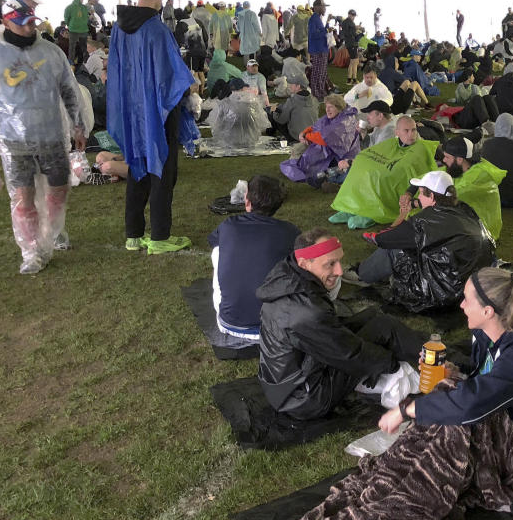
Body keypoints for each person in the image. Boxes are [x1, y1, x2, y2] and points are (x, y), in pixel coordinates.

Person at [294, 265, 513, 520]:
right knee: (448, 397)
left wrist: (406, 410)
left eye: (466, 300)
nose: (461, 306)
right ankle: (401, 483)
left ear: (488, 311)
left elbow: (473, 403)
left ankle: (408, 505)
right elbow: (479, 380)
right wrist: (453, 370)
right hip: (499, 437)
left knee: (455, 413)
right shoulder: (487, 336)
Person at [0, 0, 87, 274]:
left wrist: (78, 125)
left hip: (52, 136)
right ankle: (32, 248)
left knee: (58, 190)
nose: (30, 29)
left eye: (32, 23)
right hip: (13, 140)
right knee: (23, 196)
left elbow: (69, 90)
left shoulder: (52, 52)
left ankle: (53, 232)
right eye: (23, 24)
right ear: (6, 21)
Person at [257, 228, 424, 419]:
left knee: (373, 320)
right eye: (330, 264)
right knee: (383, 328)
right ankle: (437, 362)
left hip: (285, 384)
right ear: (305, 263)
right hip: (306, 397)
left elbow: (333, 338)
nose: (339, 271)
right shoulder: (306, 312)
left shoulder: (288, 273)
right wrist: (389, 363)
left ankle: (430, 355)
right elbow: (349, 355)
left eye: (339, 260)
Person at [108, 0, 196, 255]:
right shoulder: (158, 30)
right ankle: (159, 236)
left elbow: (118, 71)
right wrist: (189, 90)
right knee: (162, 169)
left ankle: (133, 234)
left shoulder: (119, 28)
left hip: (132, 110)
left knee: (137, 164)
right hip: (158, 110)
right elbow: (172, 76)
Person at [358, 170, 496, 309]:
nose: (418, 196)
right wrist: (415, 204)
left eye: (421, 193)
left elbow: (383, 239)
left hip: (439, 295)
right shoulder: (464, 209)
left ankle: (361, 275)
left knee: (396, 249)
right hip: (472, 288)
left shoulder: (425, 222)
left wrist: (403, 215)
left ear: (431, 196)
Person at [208, 175, 299, 341]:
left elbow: (213, 242)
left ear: (247, 202)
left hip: (231, 324)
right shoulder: (290, 231)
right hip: (279, 327)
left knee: (218, 250)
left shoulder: (229, 225)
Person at [330, 115, 438, 229]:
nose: (411, 134)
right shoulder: (392, 143)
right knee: (362, 169)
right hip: (386, 171)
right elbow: (369, 154)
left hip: (402, 183)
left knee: (380, 177)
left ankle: (373, 214)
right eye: (406, 131)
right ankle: (351, 207)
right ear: (397, 132)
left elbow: (406, 168)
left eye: (414, 130)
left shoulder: (421, 147)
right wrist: (354, 162)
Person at [279, 93, 360, 184]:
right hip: (332, 151)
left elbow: (324, 138)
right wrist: (304, 132)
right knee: (301, 151)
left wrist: (306, 135)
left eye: (331, 107)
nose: (327, 110)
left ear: (339, 107)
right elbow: (317, 126)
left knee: (310, 165)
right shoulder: (336, 116)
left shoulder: (344, 121)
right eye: (326, 107)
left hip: (342, 156)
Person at [438, 137, 506, 239]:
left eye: (447, 157)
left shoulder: (479, 176)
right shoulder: (460, 168)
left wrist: (417, 202)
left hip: (482, 233)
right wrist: (410, 192)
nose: (443, 160)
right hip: (468, 224)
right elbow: (434, 175)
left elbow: (453, 194)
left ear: (460, 159)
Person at [268, 71, 318, 142]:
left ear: (298, 86)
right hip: (312, 135)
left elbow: (282, 120)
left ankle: (271, 133)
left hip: (297, 137)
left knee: (272, 114)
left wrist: (274, 111)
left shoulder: (292, 101)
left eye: (292, 84)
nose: (290, 86)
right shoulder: (314, 100)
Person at [308, 0, 329, 99]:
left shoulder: (318, 18)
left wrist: (327, 26)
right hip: (318, 50)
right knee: (317, 73)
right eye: (323, 6)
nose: (325, 8)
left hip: (322, 49)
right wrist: (325, 30)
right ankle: (316, 94)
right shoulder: (313, 19)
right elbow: (313, 35)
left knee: (322, 73)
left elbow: (321, 32)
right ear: (317, 7)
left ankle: (321, 92)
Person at [63, 0, 89, 67]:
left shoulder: (84, 7)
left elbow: (86, 17)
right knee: (72, 47)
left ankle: (86, 62)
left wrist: (84, 23)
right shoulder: (69, 7)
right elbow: (66, 18)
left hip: (83, 30)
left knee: (84, 47)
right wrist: (70, 25)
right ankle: (71, 63)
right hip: (73, 30)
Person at [340, 9, 361, 84]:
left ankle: (349, 79)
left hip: (349, 43)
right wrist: (357, 29)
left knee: (352, 61)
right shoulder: (349, 22)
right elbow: (351, 33)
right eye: (354, 16)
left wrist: (355, 28)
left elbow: (348, 32)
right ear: (350, 15)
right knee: (355, 61)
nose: (354, 17)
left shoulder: (345, 22)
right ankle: (354, 79)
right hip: (352, 43)